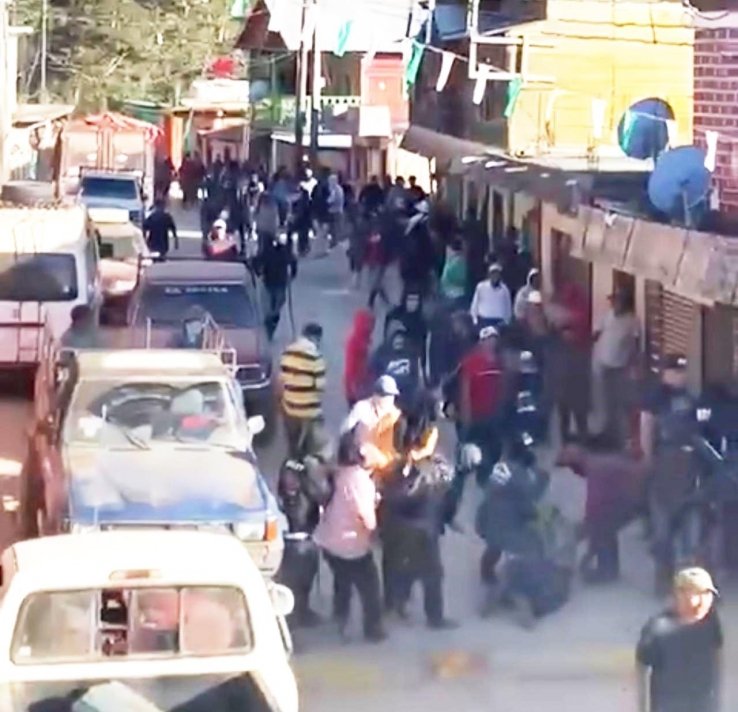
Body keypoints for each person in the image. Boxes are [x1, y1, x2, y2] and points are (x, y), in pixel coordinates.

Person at [380, 393, 457, 629]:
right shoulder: (430, 470)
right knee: (432, 574)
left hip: (397, 525)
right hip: (422, 527)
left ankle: (396, 603)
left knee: (401, 565)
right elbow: (443, 490)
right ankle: (434, 618)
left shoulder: (392, 464)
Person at [314, 431, 386, 642]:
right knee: (370, 588)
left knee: (343, 582)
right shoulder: (359, 480)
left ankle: (341, 623)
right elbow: (364, 515)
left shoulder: (338, 474)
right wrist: (374, 532)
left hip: (328, 541)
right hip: (351, 545)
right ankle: (373, 630)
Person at [640, 354, 701, 594]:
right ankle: (663, 579)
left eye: (683, 371)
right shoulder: (656, 397)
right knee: (662, 526)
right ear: (665, 373)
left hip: (689, 464)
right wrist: (647, 457)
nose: (680, 376)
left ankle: (688, 582)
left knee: (690, 524)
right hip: (664, 461)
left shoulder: (690, 396)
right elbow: (646, 426)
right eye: (676, 371)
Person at [557, 440, 648, 583]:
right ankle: (609, 569)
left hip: (639, 495)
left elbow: (595, 503)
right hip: (637, 493)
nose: (573, 472)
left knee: (601, 525)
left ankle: (606, 571)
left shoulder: (595, 468)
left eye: (571, 467)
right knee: (604, 524)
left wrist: (587, 535)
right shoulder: (597, 462)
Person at [636, 567, 722, 712]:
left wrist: (715, 700)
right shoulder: (658, 629)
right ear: (679, 595)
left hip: (702, 704)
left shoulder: (711, 621)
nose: (704, 601)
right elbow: (643, 671)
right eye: (697, 594)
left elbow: (717, 656)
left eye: (707, 594)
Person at [444, 325, 503, 524]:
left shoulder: (498, 363)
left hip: (491, 420)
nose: (492, 342)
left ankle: (490, 512)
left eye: (494, 338)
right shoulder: (471, 363)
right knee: (462, 469)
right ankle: (449, 513)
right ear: (481, 341)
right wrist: (466, 423)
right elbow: (464, 393)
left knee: (490, 466)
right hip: (472, 420)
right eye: (488, 339)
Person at [276, 456, 331, 628]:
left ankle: (303, 611)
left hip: (307, 542)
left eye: (294, 477)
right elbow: (296, 517)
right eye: (287, 476)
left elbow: (322, 497)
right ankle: (291, 621)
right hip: (292, 545)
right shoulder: (284, 498)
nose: (290, 481)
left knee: (306, 582)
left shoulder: (308, 493)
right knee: (292, 585)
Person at [592, 289, 640, 447]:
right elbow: (596, 333)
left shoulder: (632, 320)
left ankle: (622, 438)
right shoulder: (608, 315)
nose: (613, 304)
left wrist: (633, 365)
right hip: (604, 365)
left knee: (621, 403)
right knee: (605, 402)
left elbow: (635, 344)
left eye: (616, 301)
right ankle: (607, 433)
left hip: (620, 367)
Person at [343, 375, 403, 483]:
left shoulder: (395, 415)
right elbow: (345, 430)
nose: (388, 400)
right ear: (375, 395)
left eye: (391, 396)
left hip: (384, 463)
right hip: (361, 459)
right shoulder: (362, 408)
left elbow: (398, 444)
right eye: (384, 395)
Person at [279, 323, 327, 459]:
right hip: (309, 412)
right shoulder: (316, 358)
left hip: (289, 408)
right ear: (316, 338)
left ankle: (293, 460)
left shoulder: (287, 353)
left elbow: (282, 381)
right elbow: (320, 387)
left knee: (292, 444)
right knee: (313, 446)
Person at [547, 324, 591, 443]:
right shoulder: (558, 353)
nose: (569, 337)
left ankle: (580, 439)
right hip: (564, 390)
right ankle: (567, 440)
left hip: (576, 389)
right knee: (565, 417)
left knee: (578, 416)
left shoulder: (579, 353)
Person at [254, 232, 297, 340]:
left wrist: (292, 274)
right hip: (270, 282)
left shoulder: (284, 251)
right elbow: (256, 262)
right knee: (270, 308)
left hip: (278, 282)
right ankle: (269, 327)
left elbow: (293, 262)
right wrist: (258, 272)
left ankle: (270, 326)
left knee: (275, 308)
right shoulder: (269, 251)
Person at [369, 328, 423, 413]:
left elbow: (416, 373)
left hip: (406, 393)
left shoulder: (411, 352)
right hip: (388, 392)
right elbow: (373, 368)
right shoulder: (383, 352)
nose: (399, 343)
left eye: (401, 341)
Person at [384, 290, 428, 369]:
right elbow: (387, 337)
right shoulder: (395, 316)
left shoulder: (421, 322)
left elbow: (423, 346)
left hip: (411, 358)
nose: (413, 303)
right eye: (410, 299)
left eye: (415, 300)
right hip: (393, 357)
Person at [344, 309, 376, 408]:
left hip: (360, 385)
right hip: (357, 385)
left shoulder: (364, 340)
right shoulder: (357, 342)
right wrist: (353, 387)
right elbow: (351, 367)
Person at [470, 263, 512, 331]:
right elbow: (475, 304)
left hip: (499, 322)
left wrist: (507, 321)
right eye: (493, 273)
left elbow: (508, 306)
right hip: (484, 321)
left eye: (497, 274)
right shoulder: (481, 287)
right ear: (489, 275)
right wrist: (475, 320)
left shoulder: (505, 289)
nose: (495, 276)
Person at [439, 239, 468, 309]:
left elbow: (460, 279)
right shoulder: (451, 260)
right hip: (448, 294)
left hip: (455, 296)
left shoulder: (459, 261)